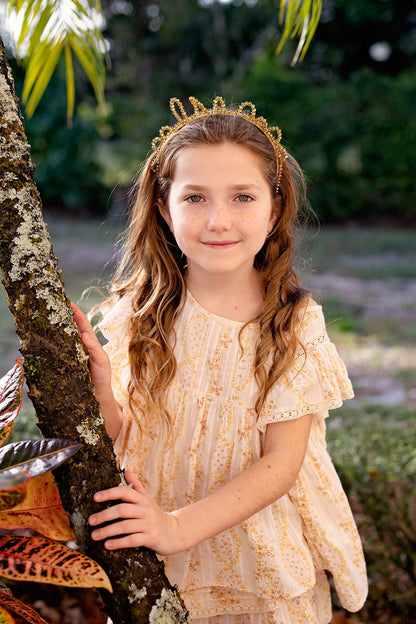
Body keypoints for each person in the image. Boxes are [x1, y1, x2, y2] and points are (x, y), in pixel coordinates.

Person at [73, 96, 367, 623]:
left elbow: (281, 464)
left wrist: (178, 525)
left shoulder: (291, 324)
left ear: (274, 210)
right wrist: (99, 387)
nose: (218, 219)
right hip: (162, 557)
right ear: (164, 209)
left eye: (242, 197)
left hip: (257, 561)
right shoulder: (139, 312)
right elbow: (124, 429)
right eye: (195, 198)